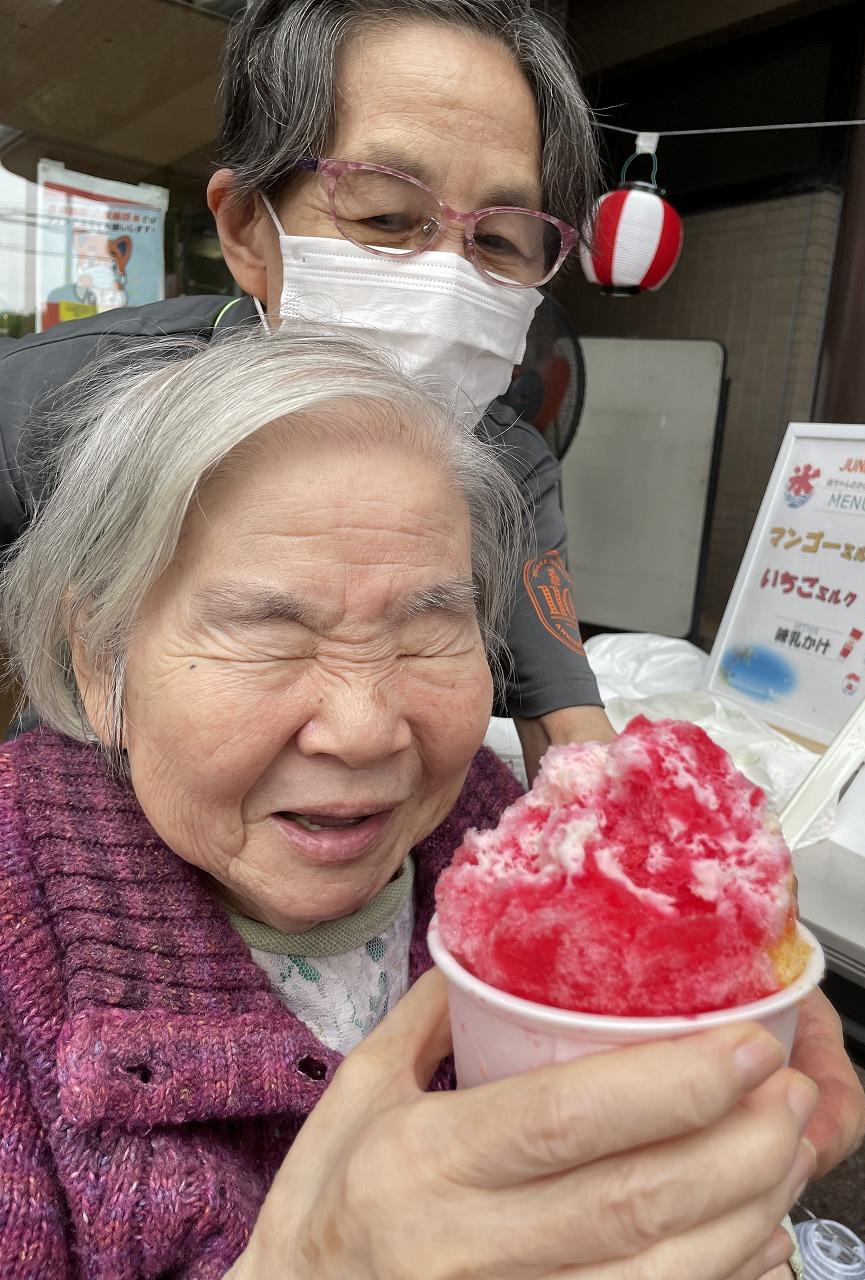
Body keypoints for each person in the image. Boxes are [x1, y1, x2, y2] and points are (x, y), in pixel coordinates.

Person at [1, 328, 814, 1279]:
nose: (364, 729)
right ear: (102, 664)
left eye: (431, 629)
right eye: (270, 635)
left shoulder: (499, 827)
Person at [0, 0, 611, 781]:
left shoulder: (512, 470)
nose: (449, 281)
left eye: (499, 240)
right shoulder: (75, 395)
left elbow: (576, 744)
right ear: (249, 231)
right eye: (388, 214)